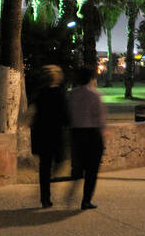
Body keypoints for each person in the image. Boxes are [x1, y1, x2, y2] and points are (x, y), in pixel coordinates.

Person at [29, 65, 70, 208]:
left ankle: (44, 197)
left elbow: (32, 112)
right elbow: (65, 115)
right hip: (55, 133)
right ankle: (48, 188)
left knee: (44, 166)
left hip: (41, 133)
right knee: (59, 161)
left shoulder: (39, 92)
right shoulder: (60, 93)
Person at [67, 66, 107, 211]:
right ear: (91, 78)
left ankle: (74, 184)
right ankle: (86, 200)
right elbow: (101, 118)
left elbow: (69, 115)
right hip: (92, 134)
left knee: (79, 165)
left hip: (76, 133)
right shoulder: (95, 95)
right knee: (92, 170)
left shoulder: (71, 95)